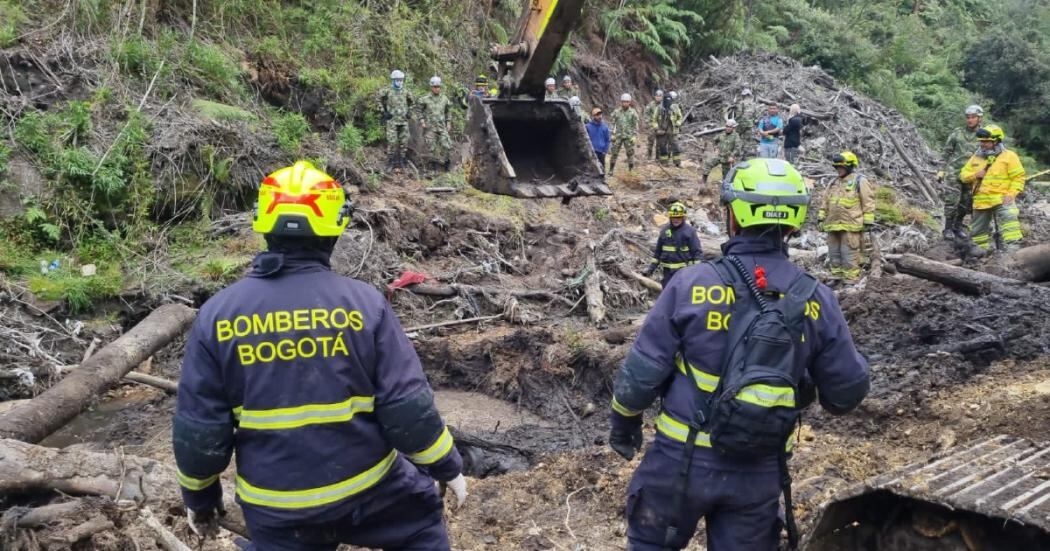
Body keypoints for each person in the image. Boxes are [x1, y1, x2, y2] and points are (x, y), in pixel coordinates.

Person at [174, 161, 467, 551]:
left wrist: (201, 500)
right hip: (371, 494)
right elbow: (406, 409)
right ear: (335, 228)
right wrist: (447, 467)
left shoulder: (217, 316)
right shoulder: (365, 305)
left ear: (263, 224)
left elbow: (200, 432)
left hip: (277, 511)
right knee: (421, 527)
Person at [610, 157, 869, 551]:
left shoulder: (690, 284)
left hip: (679, 465)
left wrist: (624, 424)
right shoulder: (818, 299)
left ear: (732, 215)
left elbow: (640, 376)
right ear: (795, 220)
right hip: (759, 472)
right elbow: (847, 393)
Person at [960, 124, 1026, 253]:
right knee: (978, 232)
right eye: (981, 142)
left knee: (1010, 223)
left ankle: (1014, 254)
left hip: (1002, 198)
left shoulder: (1009, 156)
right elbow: (963, 175)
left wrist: (1012, 194)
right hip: (981, 201)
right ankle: (980, 255)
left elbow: (1018, 177)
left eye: (986, 142)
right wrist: (975, 175)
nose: (982, 144)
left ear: (996, 140)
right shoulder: (976, 157)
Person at [818, 151, 875, 281]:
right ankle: (836, 276)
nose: (838, 170)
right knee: (834, 254)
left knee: (849, 253)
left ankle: (850, 279)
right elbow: (825, 201)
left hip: (851, 225)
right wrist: (821, 218)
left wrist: (868, 221)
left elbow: (868, 201)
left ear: (849, 166)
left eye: (841, 167)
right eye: (837, 167)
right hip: (832, 224)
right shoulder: (833, 182)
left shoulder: (860, 181)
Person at [940, 105, 985, 240]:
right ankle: (947, 229)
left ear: (979, 118)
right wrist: (941, 169)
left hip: (972, 175)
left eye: (973, 117)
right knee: (952, 201)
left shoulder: (984, 135)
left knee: (966, 203)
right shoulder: (957, 133)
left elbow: (989, 154)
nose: (970, 120)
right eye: (968, 117)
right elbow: (946, 152)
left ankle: (957, 227)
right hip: (954, 172)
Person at [643, 202, 702, 288]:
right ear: (670, 217)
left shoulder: (689, 232)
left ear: (683, 217)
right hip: (667, 273)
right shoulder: (664, 231)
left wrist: (696, 273)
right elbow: (658, 253)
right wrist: (650, 270)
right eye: (673, 217)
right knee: (668, 296)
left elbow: (697, 253)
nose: (676, 219)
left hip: (684, 273)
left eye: (678, 217)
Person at [378, 69, 414, 170]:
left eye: (401, 80)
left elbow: (412, 102)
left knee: (404, 142)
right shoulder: (387, 90)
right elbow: (378, 99)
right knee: (392, 142)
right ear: (393, 80)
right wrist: (383, 111)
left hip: (403, 121)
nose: (399, 82)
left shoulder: (406, 91)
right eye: (397, 80)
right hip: (392, 121)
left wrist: (409, 112)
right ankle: (390, 162)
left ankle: (402, 161)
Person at [418, 76, 453, 173]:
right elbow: (419, 110)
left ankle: (447, 166)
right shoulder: (425, 99)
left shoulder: (444, 99)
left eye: (438, 86)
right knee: (431, 148)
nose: (437, 88)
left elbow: (448, 111)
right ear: (431, 87)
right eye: (435, 87)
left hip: (442, 127)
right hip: (430, 127)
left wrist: (448, 122)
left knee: (447, 145)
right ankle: (433, 168)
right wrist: (422, 121)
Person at [701, 119, 746, 189]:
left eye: (729, 127)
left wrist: (732, 156)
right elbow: (714, 140)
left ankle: (725, 189)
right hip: (719, 156)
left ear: (733, 128)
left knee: (727, 176)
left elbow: (738, 148)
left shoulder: (736, 136)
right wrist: (716, 148)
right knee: (708, 163)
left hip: (727, 159)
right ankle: (703, 182)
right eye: (726, 126)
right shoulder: (722, 134)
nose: (727, 128)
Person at [609, 93, 640, 174]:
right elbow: (613, 123)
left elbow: (635, 125)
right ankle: (611, 170)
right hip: (618, 135)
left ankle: (631, 170)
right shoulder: (617, 112)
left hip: (628, 136)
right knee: (614, 153)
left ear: (629, 102)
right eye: (623, 101)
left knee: (630, 153)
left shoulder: (633, 113)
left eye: (627, 102)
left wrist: (634, 136)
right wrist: (612, 134)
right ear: (621, 102)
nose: (625, 103)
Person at [652, 93, 684, 167]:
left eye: (670, 100)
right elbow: (654, 119)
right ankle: (664, 163)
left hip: (673, 130)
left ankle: (677, 163)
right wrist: (656, 128)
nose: (668, 102)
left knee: (675, 146)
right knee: (662, 147)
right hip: (662, 130)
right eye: (667, 100)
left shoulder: (675, 107)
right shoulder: (659, 108)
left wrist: (678, 123)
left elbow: (680, 117)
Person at [587, 107, 611, 172]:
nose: (599, 116)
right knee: (591, 170)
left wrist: (605, 151)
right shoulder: (588, 127)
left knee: (602, 169)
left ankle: (602, 181)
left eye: (600, 114)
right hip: (591, 152)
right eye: (597, 115)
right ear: (593, 116)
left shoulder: (605, 127)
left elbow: (607, 140)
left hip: (601, 152)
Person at [644, 90, 664, 160]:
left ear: (662, 97)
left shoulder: (664, 105)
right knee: (650, 142)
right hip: (652, 126)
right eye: (657, 96)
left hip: (661, 127)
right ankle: (649, 156)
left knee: (659, 143)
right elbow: (646, 114)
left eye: (660, 96)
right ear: (655, 97)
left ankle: (657, 158)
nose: (658, 98)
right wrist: (649, 124)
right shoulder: (651, 105)